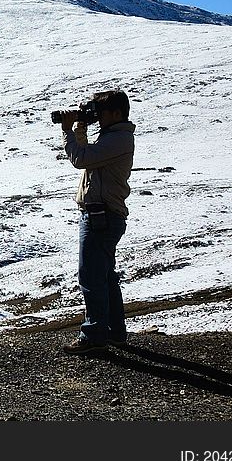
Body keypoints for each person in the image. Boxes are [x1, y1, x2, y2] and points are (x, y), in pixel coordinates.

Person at [58, 90, 135, 354]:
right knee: (105, 276)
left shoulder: (118, 140)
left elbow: (81, 159)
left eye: (100, 113)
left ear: (115, 113)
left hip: (101, 216)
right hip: (102, 214)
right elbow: (89, 155)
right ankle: (114, 332)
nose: (97, 118)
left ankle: (94, 335)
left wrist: (68, 132)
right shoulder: (114, 137)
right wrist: (81, 127)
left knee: (91, 276)